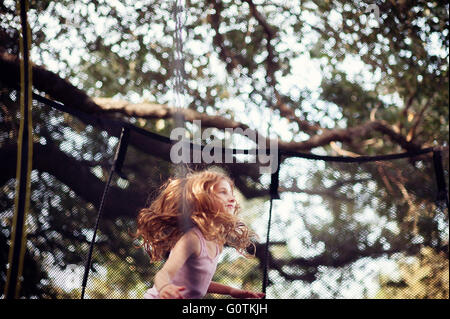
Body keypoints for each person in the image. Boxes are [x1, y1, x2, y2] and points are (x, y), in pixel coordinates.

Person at [133, 169, 265, 299]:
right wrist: (165, 288)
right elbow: (164, 274)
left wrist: (231, 291)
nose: (232, 199)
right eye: (223, 192)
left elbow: (199, 283)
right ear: (202, 198)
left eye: (231, 194)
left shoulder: (217, 242)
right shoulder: (192, 240)